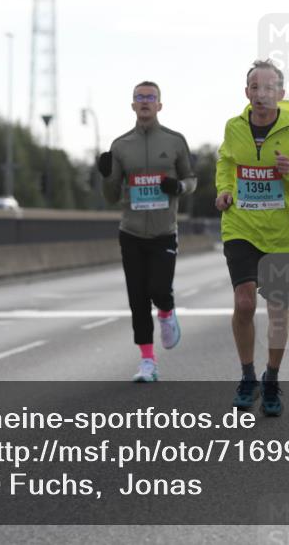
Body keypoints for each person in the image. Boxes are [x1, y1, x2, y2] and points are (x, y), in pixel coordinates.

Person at [215, 60, 289, 416]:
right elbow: (226, 163)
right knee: (244, 303)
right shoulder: (234, 127)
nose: (262, 94)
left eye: (269, 88)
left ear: (281, 93)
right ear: (247, 92)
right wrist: (224, 190)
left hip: (283, 232)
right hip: (241, 225)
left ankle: (271, 378)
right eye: (255, 87)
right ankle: (247, 376)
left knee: (278, 311)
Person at [99, 81, 197, 382]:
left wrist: (179, 187)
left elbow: (192, 180)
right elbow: (111, 196)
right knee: (137, 298)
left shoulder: (175, 141)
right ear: (132, 105)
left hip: (164, 231)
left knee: (159, 289)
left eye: (150, 97)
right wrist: (106, 175)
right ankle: (147, 361)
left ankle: (166, 312)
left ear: (159, 105)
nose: (144, 101)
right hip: (131, 232)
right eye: (139, 97)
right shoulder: (120, 145)